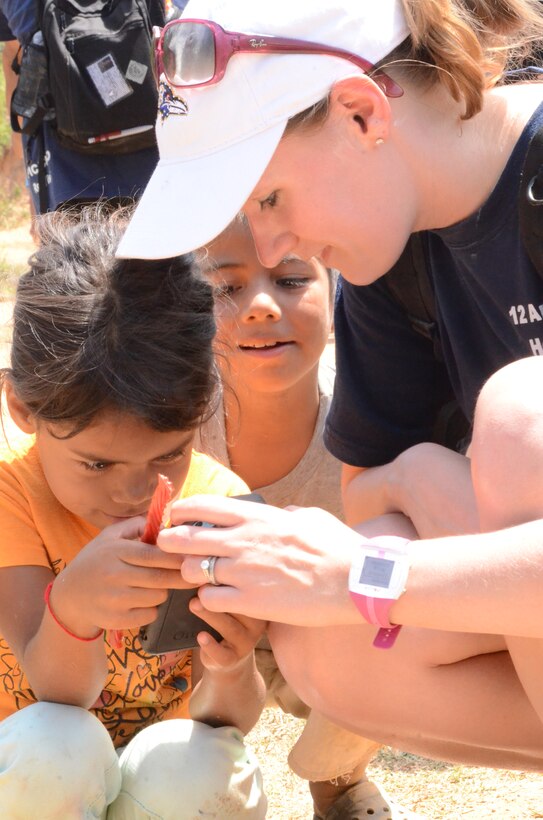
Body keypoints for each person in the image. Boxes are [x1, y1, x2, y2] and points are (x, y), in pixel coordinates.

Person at [117, 0, 543, 773]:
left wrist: (365, 569)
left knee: (519, 420)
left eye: (270, 198)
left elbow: (372, 546)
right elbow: (366, 498)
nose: (275, 242)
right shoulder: (387, 252)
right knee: (320, 643)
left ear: (358, 113)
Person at [0, 206, 267, 818]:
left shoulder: (216, 506)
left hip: (153, 778)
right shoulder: (10, 491)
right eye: (97, 464)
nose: (136, 492)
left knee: (201, 771)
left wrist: (232, 662)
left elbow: (229, 722)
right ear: (21, 409)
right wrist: (73, 609)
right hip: (33, 775)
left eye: (169, 453)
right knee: (56, 746)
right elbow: (57, 695)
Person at [195, 218, 419, 819]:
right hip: (198, 642)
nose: (262, 306)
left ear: (337, 292)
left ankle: (336, 778)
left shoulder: (373, 428)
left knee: (410, 606)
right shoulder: (169, 429)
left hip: (324, 636)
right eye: (225, 288)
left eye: (292, 278)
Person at [0, 0, 160, 214]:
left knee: (69, 241)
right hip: (147, 141)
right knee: (153, 237)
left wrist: (23, 156)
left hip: (62, 154)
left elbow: (16, 52)